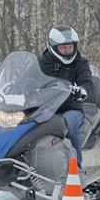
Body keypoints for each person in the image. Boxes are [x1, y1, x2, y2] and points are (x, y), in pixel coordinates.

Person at [39, 25, 94, 169]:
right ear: (53, 47)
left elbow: (86, 81)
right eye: (64, 48)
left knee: (67, 123)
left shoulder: (80, 63)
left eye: (70, 47)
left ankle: (76, 167)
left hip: (71, 108)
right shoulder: (42, 63)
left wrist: (82, 90)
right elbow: (28, 79)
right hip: (43, 109)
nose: (68, 51)